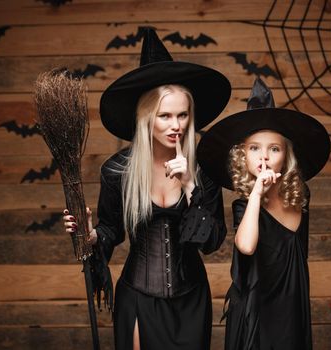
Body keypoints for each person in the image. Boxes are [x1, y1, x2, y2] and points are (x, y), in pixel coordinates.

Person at [63, 28, 231, 350]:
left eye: (182, 115)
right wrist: (92, 235)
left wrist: (191, 186)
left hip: (191, 301)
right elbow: (111, 229)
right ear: (146, 119)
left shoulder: (203, 169)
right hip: (138, 298)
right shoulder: (118, 171)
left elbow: (212, 240)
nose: (176, 125)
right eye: (164, 115)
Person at [197, 78, 331, 349]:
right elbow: (246, 246)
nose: (264, 157)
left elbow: (299, 253)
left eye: (274, 148)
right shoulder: (244, 205)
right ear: (242, 156)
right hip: (256, 306)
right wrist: (256, 194)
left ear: (286, 156)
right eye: (254, 148)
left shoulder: (301, 196)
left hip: (291, 303)